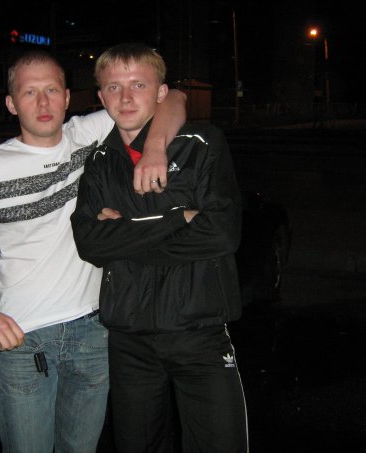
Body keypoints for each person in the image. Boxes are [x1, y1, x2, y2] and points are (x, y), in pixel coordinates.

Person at [0, 49, 187, 453]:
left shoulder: (84, 134)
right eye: (29, 92)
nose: (42, 103)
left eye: (52, 90)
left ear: (68, 97)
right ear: (11, 103)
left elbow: (173, 97)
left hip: (93, 332)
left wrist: (157, 147)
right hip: (23, 340)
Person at [71, 42, 248, 453]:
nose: (126, 98)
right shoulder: (99, 162)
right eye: (113, 87)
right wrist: (177, 218)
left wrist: (124, 237)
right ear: (100, 97)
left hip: (199, 334)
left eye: (139, 85)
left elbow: (222, 234)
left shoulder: (201, 143)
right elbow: (90, 243)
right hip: (129, 341)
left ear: (161, 92)